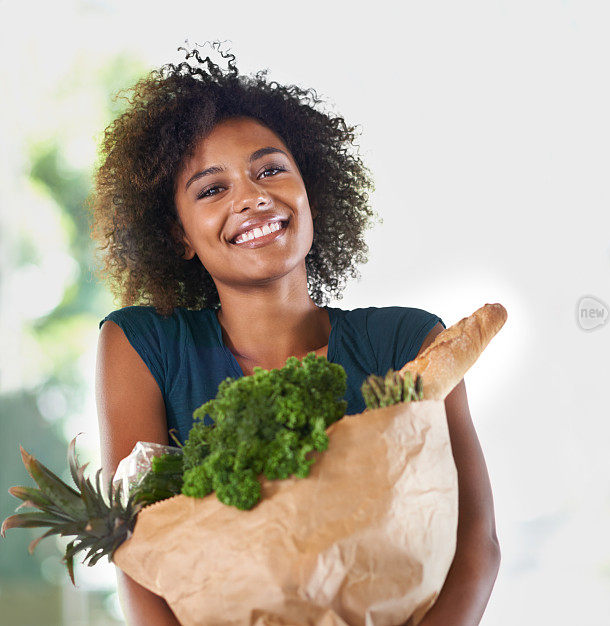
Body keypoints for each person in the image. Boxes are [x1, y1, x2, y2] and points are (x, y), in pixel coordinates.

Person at [91, 44, 500, 625]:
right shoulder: (143, 346)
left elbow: (475, 541)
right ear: (177, 234)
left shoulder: (407, 341)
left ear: (311, 188)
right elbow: (134, 558)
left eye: (270, 170)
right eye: (212, 189)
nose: (253, 196)